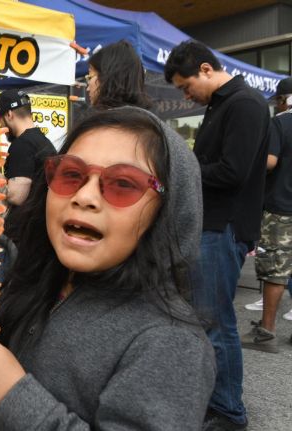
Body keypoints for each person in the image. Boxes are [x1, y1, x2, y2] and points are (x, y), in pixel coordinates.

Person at [0, 107, 214, 430]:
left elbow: (6, 392)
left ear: (168, 212)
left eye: (122, 184)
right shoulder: (41, 285)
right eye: (71, 175)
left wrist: (14, 394)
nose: (85, 196)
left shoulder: (170, 343)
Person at [164, 39, 270, 431]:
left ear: (206, 69)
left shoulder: (243, 103)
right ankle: (216, 400)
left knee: (216, 322)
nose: (185, 94)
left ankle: (229, 411)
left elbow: (232, 171)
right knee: (207, 320)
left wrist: (182, 170)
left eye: (185, 85)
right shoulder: (224, 103)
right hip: (212, 224)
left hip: (224, 226)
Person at [241, 76, 292, 353]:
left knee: (275, 271)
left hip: (281, 209)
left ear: (285, 100)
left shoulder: (281, 123)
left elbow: (270, 162)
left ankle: (267, 331)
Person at [0, 89, 56, 244]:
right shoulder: (42, 141)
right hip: (40, 230)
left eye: (0, 121)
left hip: (24, 235)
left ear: (9, 115)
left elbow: (16, 196)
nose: (1, 126)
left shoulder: (22, 145)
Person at [86, 39, 151, 110]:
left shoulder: (104, 119)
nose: (87, 88)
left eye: (90, 77)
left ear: (107, 79)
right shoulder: (146, 118)